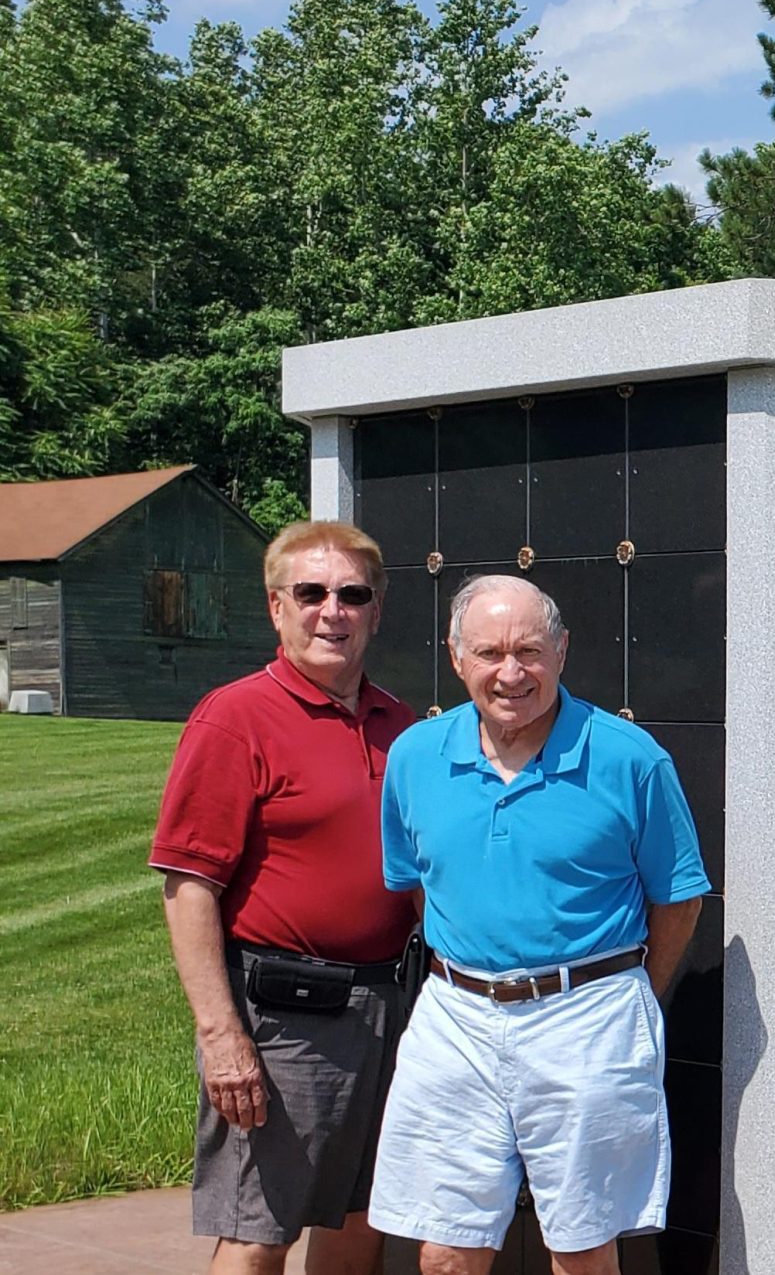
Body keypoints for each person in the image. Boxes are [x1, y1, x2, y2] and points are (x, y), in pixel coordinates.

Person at [369, 575, 710, 1275]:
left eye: (530, 649)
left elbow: (679, 902)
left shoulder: (631, 759)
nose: (511, 671)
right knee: (442, 1252)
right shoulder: (413, 757)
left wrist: (629, 991)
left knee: (581, 1248)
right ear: (456, 656)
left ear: (561, 650)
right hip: (455, 1018)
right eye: (490, 651)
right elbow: (416, 889)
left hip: (589, 1017)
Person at [150, 522, 415, 1275]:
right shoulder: (235, 718)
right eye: (312, 593)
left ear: (377, 609)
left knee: (364, 1215)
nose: (333, 610)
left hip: (390, 1007)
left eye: (352, 594)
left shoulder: (404, 726)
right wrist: (221, 1036)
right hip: (282, 1018)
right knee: (262, 1228)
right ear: (276, 607)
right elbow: (188, 885)